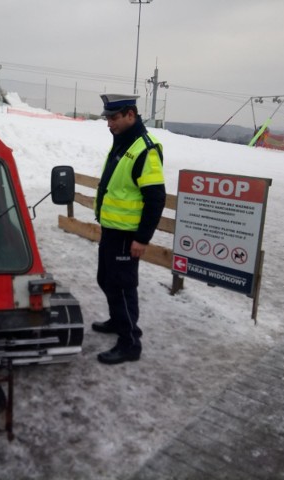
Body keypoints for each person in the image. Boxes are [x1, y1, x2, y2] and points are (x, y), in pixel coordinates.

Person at [93, 94, 166, 365]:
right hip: (112, 230)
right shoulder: (123, 144)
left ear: (130, 115)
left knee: (122, 287)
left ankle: (130, 343)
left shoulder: (144, 150)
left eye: (114, 117)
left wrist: (142, 238)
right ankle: (117, 320)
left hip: (127, 235)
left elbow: (156, 197)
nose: (109, 123)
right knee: (105, 278)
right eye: (107, 118)